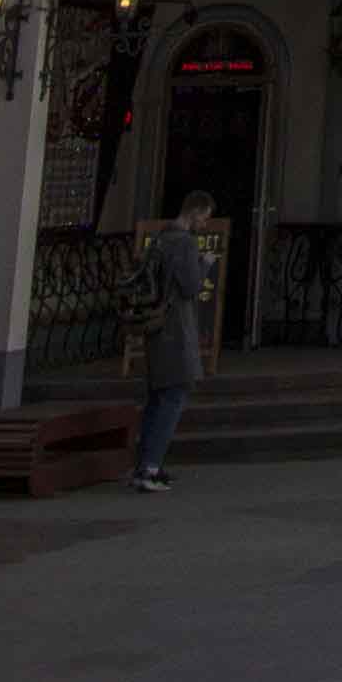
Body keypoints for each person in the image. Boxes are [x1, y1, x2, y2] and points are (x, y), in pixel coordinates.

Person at [134, 190, 215, 491]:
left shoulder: (160, 238)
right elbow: (191, 287)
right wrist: (206, 263)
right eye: (204, 219)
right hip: (175, 328)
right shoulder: (183, 242)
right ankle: (150, 468)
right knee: (174, 397)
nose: (204, 225)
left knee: (157, 398)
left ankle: (144, 466)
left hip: (156, 326)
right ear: (194, 212)